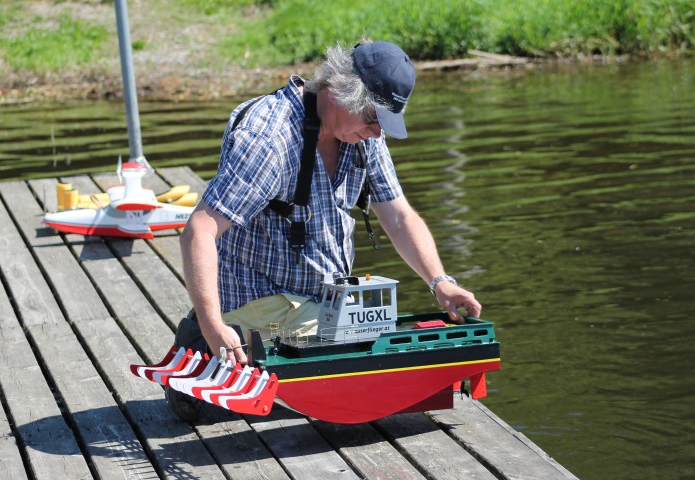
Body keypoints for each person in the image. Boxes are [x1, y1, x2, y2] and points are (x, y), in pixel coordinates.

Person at [168, 39, 481, 420]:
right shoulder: (270, 138)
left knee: (386, 341)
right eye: (372, 120)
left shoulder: (362, 134)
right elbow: (199, 231)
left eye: (383, 123)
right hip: (259, 301)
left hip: (321, 306)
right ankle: (203, 343)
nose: (377, 133)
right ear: (337, 91)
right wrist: (213, 325)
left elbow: (399, 217)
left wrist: (440, 282)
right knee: (378, 357)